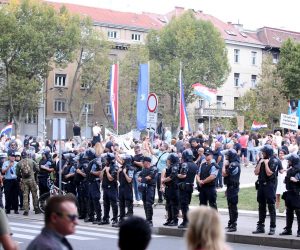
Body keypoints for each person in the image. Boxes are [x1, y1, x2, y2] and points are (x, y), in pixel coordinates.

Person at [253, 145, 283, 235]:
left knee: (271, 206)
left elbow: (269, 173)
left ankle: (272, 227)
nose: (262, 153)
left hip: (270, 185)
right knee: (261, 206)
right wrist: (260, 163)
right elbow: (256, 172)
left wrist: (266, 163)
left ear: (268, 152)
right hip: (261, 185)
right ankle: (260, 226)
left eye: (264, 152)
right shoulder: (261, 160)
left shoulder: (274, 160)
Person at [280, 154, 300, 237]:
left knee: (298, 212)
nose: (288, 161)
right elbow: (287, 180)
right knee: (289, 212)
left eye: (289, 160)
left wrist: (297, 180)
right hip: (289, 192)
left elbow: (296, 180)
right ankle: (288, 229)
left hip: (296, 193)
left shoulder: (298, 169)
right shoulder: (291, 169)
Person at [177, 149, 198, 228]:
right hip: (190, 186)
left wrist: (176, 175)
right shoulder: (195, 164)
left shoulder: (185, 164)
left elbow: (183, 175)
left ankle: (186, 221)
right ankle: (187, 220)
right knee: (186, 204)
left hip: (184, 186)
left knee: (184, 205)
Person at [16, 151, 40, 216]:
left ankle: (26, 211)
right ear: (27, 155)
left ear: (21, 156)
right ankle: (36, 209)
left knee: (25, 195)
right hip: (32, 180)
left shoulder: (19, 163)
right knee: (34, 194)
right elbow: (38, 169)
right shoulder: (31, 161)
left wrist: (22, 176)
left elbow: (17, 173)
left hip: (24, 181)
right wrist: (33, 172)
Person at [222, 149, 241, 232]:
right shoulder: (232, 163)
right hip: (230, 187)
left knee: (233, 206)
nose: (226, 157)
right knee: (230, 206)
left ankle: (234, 224)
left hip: (233, 188)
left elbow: (224, 173)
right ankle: (231, 223)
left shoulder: (233, 164)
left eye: (227, 156)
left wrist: (223, 165)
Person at [138, 157, 158, 226]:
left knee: (148, 204)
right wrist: (141, 178)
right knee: (144, 203)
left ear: (147, 162)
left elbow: (149, 177)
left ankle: (150, 220)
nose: (142, 163)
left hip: (150, 188)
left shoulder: (153, 168)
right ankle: (147, 219)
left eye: (143, 162)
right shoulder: (144, 169)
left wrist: (142, 179)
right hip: (144, 188)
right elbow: (139, 177)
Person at [100, 153, 119, 226]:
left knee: (114, 204)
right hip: (105, 188)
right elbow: (101, 178)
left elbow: (111, 178)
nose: (105, 160)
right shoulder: (106, 166)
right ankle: (106, 218)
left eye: (106, 159)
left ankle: (115, 219)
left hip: (112, 188)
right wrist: (103, 170)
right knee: (106, 204)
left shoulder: (114, 167)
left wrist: (107, 171)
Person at [162, 153, 179, 226]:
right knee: (168, 204)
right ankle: (170, 219)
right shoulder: (170, 166)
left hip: (174, 188)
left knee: (174, 205)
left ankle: (175, 220)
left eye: (168, 159)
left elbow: (172, 176)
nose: (167, 161)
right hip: (169, 188)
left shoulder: (175, 167)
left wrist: (164, 180)